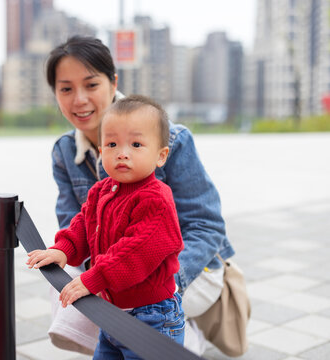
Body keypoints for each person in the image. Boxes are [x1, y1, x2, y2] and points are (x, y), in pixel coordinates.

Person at [45, 35, 235, 356]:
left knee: (116, 316)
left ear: (113, 81)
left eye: (91, 85)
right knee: (68, 301)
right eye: (66, 89)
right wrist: (77, 260)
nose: (79, 99)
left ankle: (185, 336)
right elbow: (76, 221)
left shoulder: (169, 137)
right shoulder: (65, 150)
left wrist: (164, 284)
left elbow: (206, 227)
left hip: (179, 271)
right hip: (117, 271)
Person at [27, 95, 185, 358]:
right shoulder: (102, 190)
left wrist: (95, 278)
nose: (122, 152)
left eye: (136, 144)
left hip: (153, 316)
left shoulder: (156, 198)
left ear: (161, 155)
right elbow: (84, 224)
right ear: (101, 152)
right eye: (112, 144)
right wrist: (63, 249)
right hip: (112, 310)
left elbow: (135, 251)